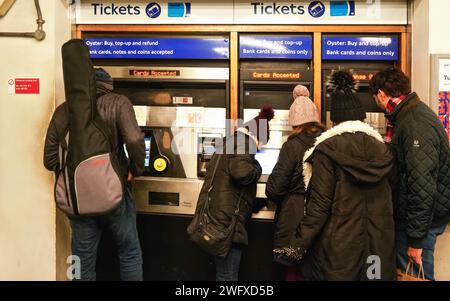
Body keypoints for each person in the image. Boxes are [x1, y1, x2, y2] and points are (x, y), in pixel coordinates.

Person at [274, 71, 396, 281]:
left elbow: (318, 208)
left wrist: (294, 248)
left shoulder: (327, 150)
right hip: (377, 251)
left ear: (335, 119)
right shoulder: (382, 149)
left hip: (339, 252)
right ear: (361, 116)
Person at [43, 68, 145, 281]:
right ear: (108, 86)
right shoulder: (119, 103)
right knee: (129, 253)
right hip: (114, 194)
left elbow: (50, 159)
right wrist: (133, 170)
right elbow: (135, 141)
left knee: (81, 261)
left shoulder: (64, 110)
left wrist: (76, 176)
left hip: (78, 199)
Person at [369, 67, 450, 280]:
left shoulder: (413, 122)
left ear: (381, 94)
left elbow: (421, 183)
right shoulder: (408, 114)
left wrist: (416, 240)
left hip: (420, 222)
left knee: (414, 276)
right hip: (421, 218)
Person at [196, 105, 274, 281]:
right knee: (227, 277)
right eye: (262, 142)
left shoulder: (230, 142)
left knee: (224, 275)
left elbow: (230, 186)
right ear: (257, 136)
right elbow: (242, 174)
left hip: (217, 218)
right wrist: (257, 167)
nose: (260, 147)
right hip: (226, 225)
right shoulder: (243, 143)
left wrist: (254, 203)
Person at [266, 85, 324, 281]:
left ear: (295, 123)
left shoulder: (292, 146)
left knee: (293, 269)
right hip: (321, 216)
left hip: (295, 215)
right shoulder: (327, 142)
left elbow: (275, 188)